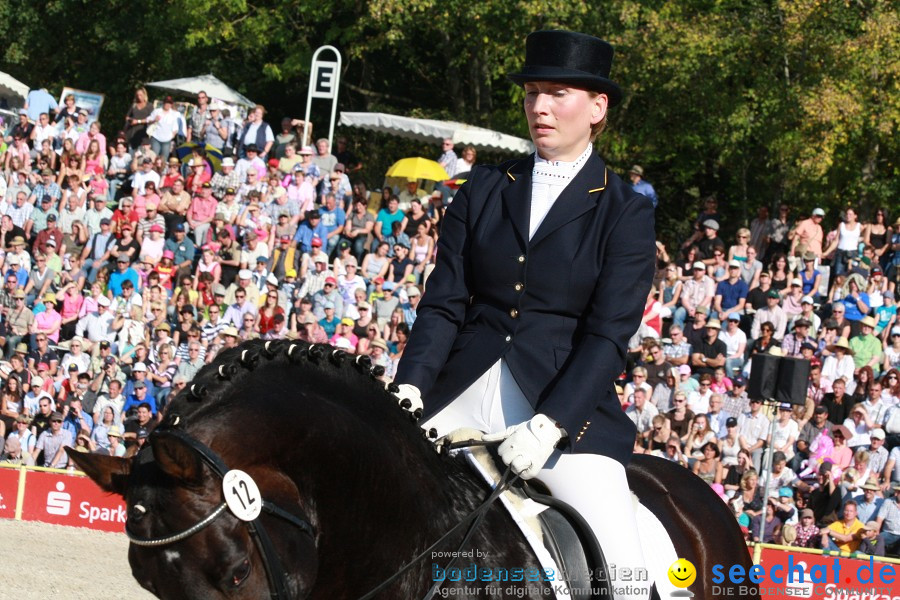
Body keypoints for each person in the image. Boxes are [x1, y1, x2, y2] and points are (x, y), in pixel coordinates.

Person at [394, 31, 654, 597]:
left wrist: (552, 423)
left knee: (628, 579)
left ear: (598, 108)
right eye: (533, 92)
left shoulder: (624, 212)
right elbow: (443, 302)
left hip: (558, 415)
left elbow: (608, 335)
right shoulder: (484, 187)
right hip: (458, 388)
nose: (539, 107)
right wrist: (410, 386)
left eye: (557, 93)